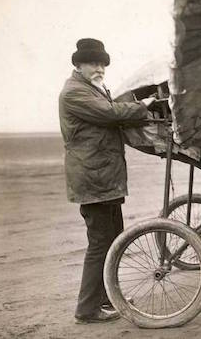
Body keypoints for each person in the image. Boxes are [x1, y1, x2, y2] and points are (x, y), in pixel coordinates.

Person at [59, 38, 155, 323]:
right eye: (93, 63)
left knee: (113, 238)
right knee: (101, 243)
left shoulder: (93, 88)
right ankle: (87, 309)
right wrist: (144, 105)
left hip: (104, 178)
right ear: (78, 65)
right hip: (94, 180)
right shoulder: (74, 93)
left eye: (102, 63)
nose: (99, 68)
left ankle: (108, 297)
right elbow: (110, 113)